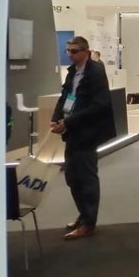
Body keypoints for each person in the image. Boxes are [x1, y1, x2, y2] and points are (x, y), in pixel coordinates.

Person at [51, 36, 116, 240]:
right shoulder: (73, 71)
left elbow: (100, 105)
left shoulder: (95, 72)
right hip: (73, 131)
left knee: (86, 178)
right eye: (68, 51)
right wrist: (56, 118)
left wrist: (68, 122)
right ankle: (84, 215)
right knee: (72, 177)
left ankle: (89, 223)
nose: (70, 54)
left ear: (85, 51)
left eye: (74, 51)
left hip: (88, 132)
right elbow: (65, 96)